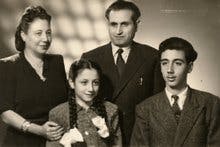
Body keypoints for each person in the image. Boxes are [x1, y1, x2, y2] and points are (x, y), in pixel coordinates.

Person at [81, 1, 164, 145]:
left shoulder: (152, 57)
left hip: (139, 138)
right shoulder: (90, 57)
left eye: (125, 24)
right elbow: (81, 105)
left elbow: (158, 106)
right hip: (101, 139)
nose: (118, 31)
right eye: (113, 24)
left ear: (136, 24)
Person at [131, 37, 220, 147]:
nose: (169, 70)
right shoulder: (145, 109)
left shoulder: (210, 104)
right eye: (164, 63)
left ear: (190, 67)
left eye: (177, 63)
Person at [0, 6, 68, 147]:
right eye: (38, 33)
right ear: (23, 35)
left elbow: (66, 102)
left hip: (55, 142)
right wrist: (39, 130)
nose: (45, 38)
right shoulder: (7, 66)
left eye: (48, 33)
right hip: (20, 142)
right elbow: (6, 113)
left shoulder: (57, 62)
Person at [46, 59, 122, 147]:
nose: (91, 89)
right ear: (71, 82)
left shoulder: (111, 110)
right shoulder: (58, 113)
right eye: (84, 82)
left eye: (95, 83)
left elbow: (117, 144)